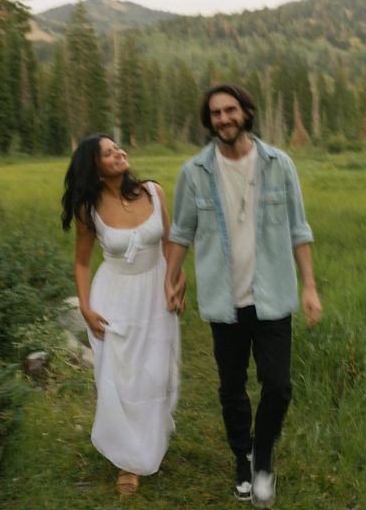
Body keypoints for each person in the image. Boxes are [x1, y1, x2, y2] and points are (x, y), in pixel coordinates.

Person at [165, 84, 321, 508]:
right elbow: (180, 232)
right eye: (215, 113)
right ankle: (243, 458)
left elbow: (298, 229)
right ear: (209, 120)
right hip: (224, 300)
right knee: (232, 387)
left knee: (278, 385)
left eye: (230, 110)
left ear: (246, 113)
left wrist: (309, 286)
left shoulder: (278, 164)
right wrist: (171, 277)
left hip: (273, 296)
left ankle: (264, 457)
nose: (223, 118)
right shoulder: (194, 171)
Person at [61, 133, 183, 495]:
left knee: (152, 373)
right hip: (113, 296)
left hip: (154, 292)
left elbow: (169, 242)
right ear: (94, 167)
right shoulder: (89, 209)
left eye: (117, 148)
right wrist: (84, 306)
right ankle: (128, 462)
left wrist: (176, 281)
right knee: (121, 376)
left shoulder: (152, 191)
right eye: (107, 153)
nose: (118, 153)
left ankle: (147, 440)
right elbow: (82, 262)